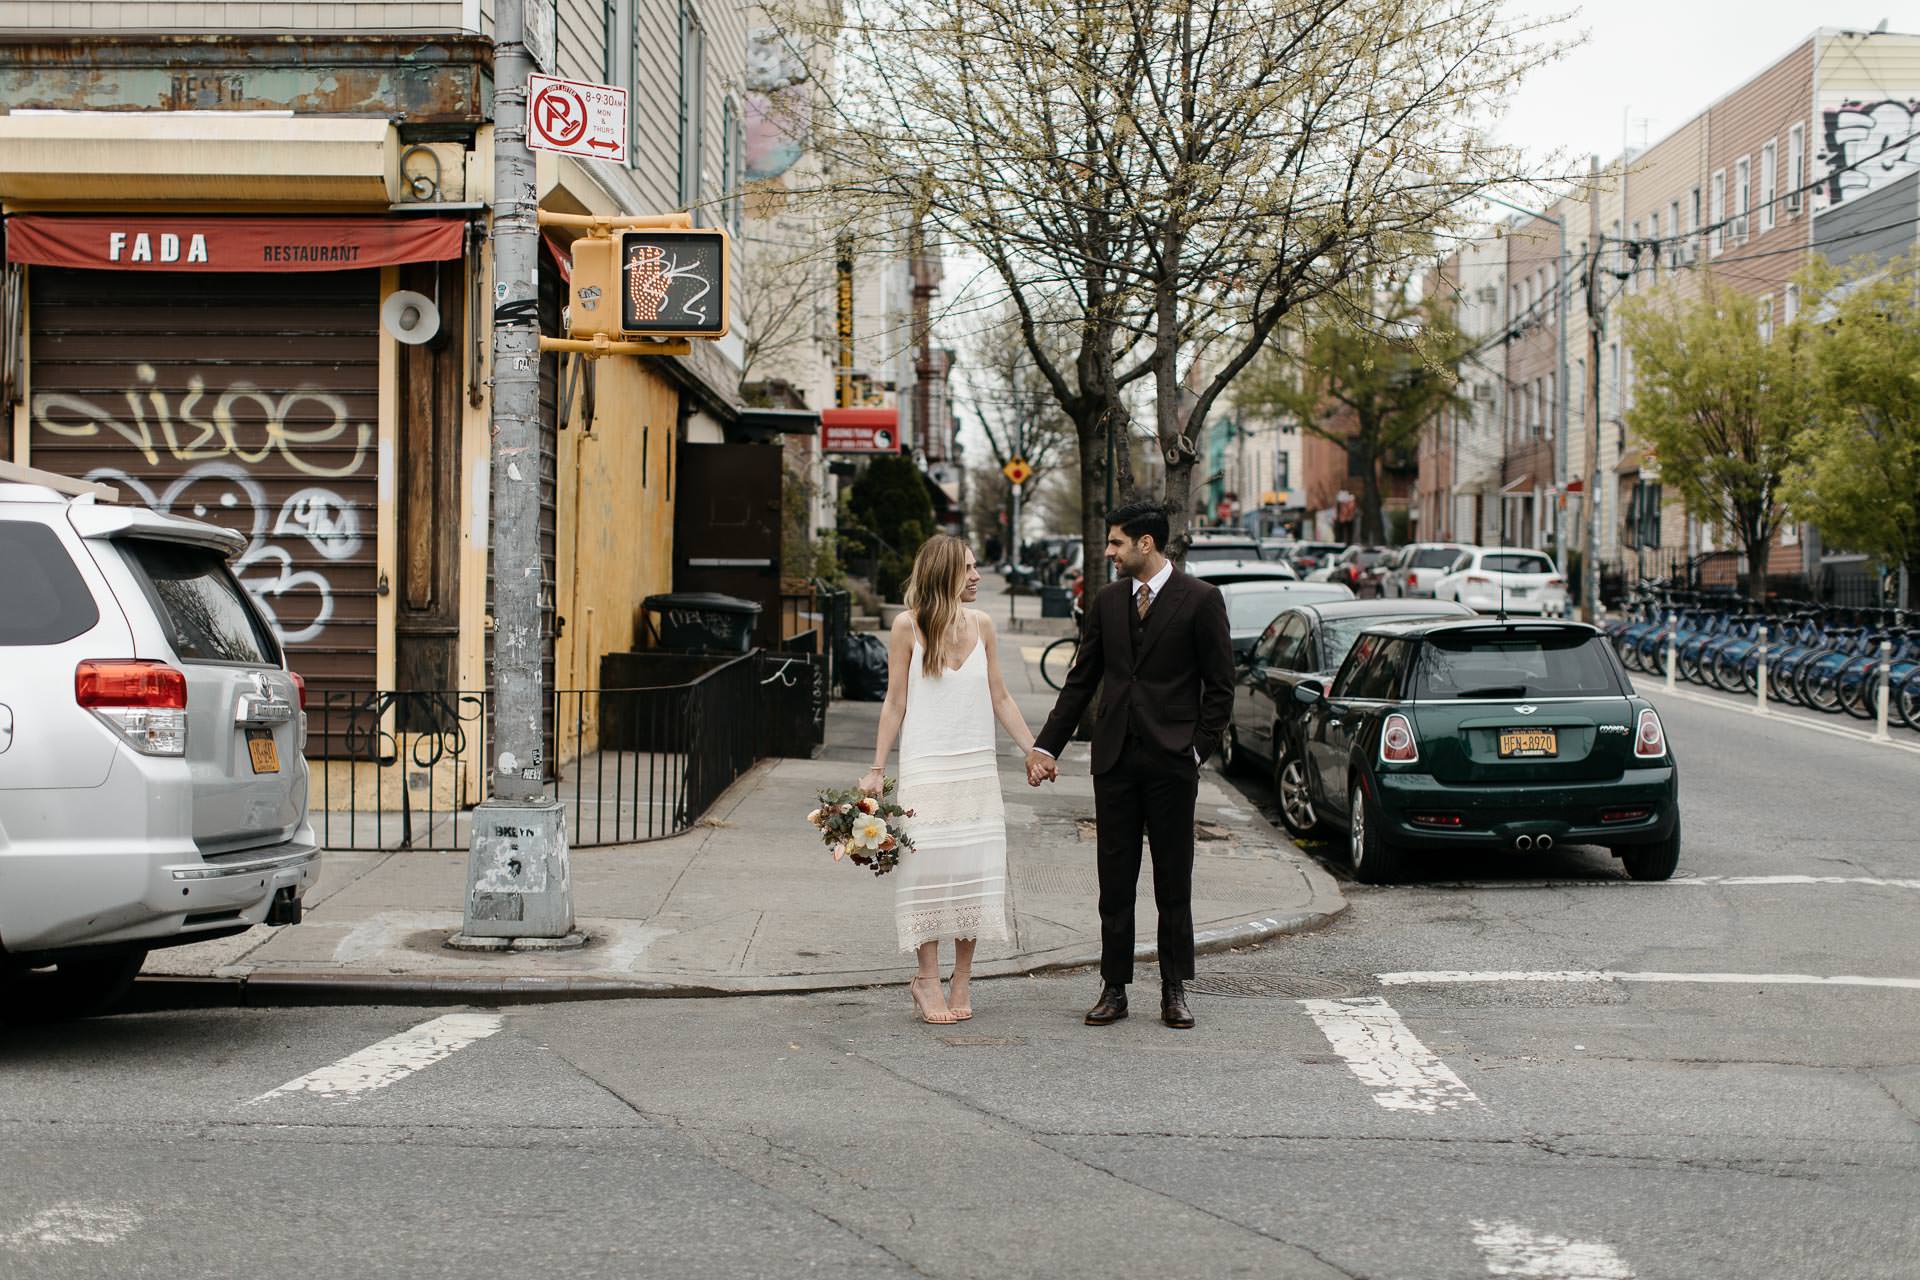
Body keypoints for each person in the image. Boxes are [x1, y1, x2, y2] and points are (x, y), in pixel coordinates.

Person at [1026, 500, 1235, 1030]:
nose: (1109, 551)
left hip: (1172, 761)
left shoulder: (1201, 600)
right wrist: (1046, 746)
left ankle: (1174, 989)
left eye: (1116, 542)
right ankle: (1114, 987)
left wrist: (1196, 749)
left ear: (1147, 543)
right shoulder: (1108, 600)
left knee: (1173, 880)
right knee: (1114, 880)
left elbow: (1221, 687)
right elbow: (1081, 680)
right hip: (1115, 758)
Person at [863, 535, 1038, 1024]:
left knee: (972, 876)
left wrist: (1034, 750)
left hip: (976, 769)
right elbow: (895, 701)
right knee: (927, 876)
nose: (978, 575)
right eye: (968, 568)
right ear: (943, 575)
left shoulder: (983, 625)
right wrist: (877, 770)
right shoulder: (907, 627)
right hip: (927, 769)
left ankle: (962, 977)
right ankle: (925, 978)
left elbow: (1000, 696)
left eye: (977, 566)